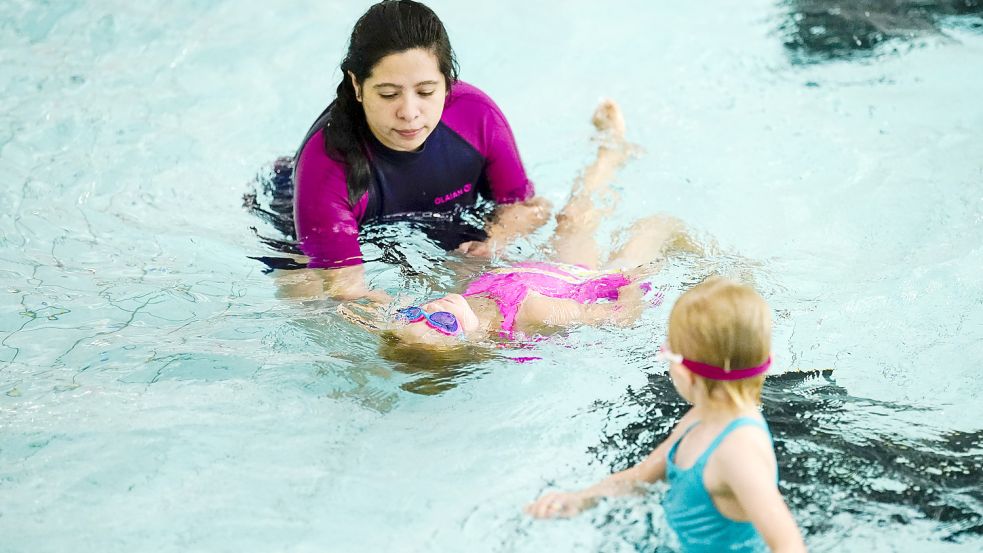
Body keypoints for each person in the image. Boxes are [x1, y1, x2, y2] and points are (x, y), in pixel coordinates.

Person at [343, 98, 694, 348]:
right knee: (653, 226)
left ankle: (611, 152)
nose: (433, 310)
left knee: (570, 217)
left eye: (415, 315)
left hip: (549, 270)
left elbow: (369, 315)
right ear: (471, 343)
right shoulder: (531, 311)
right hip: (593, 280)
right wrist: (633, 282)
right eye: (443, 325)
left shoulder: (463, 307)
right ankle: (708, 257)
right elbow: (613, 317)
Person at [288, 0, 549, 300]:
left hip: (445, 231)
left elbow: (528, 208)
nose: (409, 112)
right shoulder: (327, 166)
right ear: (357, 85)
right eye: (388, 94)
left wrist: (496, 241)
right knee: (309, 299)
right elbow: (347, 294)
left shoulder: (477, 117)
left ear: (447, 82)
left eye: (426, 92)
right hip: (298, 222)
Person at [524, 277, 807, 553]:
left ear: (683, 372)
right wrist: (580, 499)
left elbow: (789, 544)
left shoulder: (738, 450)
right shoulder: (701, 416)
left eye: (667, 352)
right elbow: (642, 476)